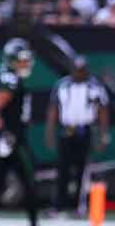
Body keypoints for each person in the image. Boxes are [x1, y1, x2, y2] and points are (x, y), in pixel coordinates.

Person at [0, 38, 44, 226]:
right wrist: (5, 132)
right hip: (13, 139)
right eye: (22, 60)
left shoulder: (6, 75)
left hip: (7, 138)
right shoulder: (10, 80)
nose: (26, 63)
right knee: (30, 182)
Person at [45, 57, 108, 214]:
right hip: (66, 129)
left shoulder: (95, 86)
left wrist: (104, 135)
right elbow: (53, 110)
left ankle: (79, 206)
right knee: (62, 169)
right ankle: (58, 206)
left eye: (82, 70)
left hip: (84, 130)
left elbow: (103, 111)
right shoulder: (62, 85)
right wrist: (49, 132)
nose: (79, 73)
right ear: (72, 69)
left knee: (82, 169)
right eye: (77, 69)